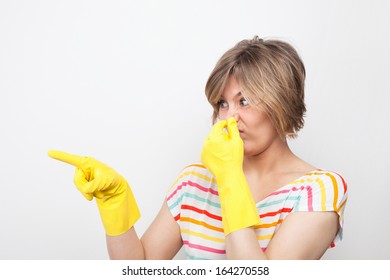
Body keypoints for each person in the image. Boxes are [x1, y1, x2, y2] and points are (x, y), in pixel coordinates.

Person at [48, 36, 348, 260]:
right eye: (223, 103)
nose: (230, 117)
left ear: (281, 102)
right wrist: (116, 203)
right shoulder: (194, 183)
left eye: (245, 101)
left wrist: (231, 181)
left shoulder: (318, 191)